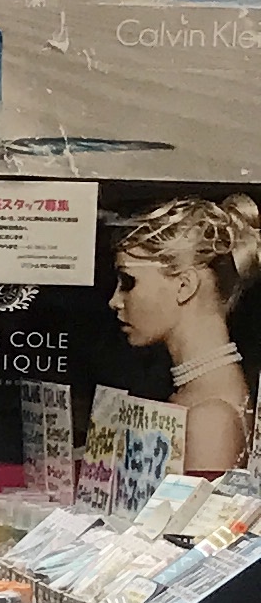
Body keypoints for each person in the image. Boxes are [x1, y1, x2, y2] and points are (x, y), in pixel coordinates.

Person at [110, 193, 261, 472]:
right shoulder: (204, 400)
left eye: (129, 282)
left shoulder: (211, 419)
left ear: (184, 286)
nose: (115, 301)